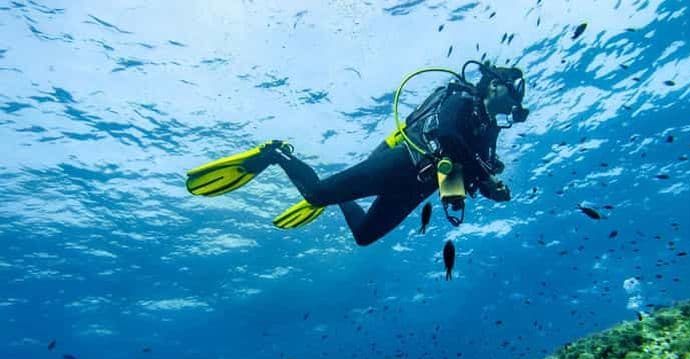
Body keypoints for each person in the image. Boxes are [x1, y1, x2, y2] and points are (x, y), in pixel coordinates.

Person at [186, 60, 529, 246]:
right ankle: (277, 152)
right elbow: (447, 136)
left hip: (417, 188)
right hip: (402, 163)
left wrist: (491, 190)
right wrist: (485, 175)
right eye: (514, 90)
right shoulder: (462, 100)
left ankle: (339, 195)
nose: (517, 100)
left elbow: (469, 175)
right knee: (317, 193)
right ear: (495, 84)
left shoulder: (489, 133)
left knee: (364, 236)